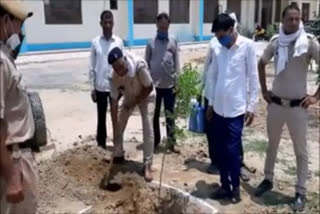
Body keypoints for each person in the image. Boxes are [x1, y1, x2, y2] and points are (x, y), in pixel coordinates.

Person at [255, 4, 319, 212]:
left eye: (297, 19)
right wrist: (264, 91)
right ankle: (268, 179)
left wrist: (316, 96)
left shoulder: (308, 43)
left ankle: (300, 192)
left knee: (300, 151)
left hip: (297, 107)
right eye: (290, 19)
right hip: (276, 105)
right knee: (272, 144)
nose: (294, 22)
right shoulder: (276, 42)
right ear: (282, 21)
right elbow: (261, 63)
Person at [207, 13, 259, 203]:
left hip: (236, 110)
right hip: (219, 108)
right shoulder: (219, 48)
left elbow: (253, 77)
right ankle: (224, 186)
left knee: (232, 151)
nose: (220, 40)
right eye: (217, 37)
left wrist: (252, 106)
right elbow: (213, 76)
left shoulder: (247, 47)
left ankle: (235, 188)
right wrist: (211, 103)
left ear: (231, 30)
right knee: (220, 150)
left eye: (222, 36)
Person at [0, 0, 39, 213]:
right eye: (19, 25)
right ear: (6, 21)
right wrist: (13, 177)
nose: (21, 33)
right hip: (13, 159)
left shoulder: (5, 58)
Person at [109, 47, 155, 182]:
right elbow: (113, 103)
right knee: (119, 122)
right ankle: (118, 154)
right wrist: (115, 126)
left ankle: (147, 164)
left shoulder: (139, 66)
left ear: (124, 59)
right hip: (129, 97)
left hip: (146, 96)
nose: (120, 71)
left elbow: (149, 87)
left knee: (148, 127)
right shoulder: (113, 77)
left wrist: (135, 101)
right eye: (116, 68)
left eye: (121, 66)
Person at [145, 12, 180, 153]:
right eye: (161, 28)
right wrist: (146, 83)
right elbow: (146, 63)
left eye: (165, 28)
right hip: (154, 86)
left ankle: (171, 143)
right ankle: (156, 141)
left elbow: (177, 62)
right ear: (157, 26)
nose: (163, 30)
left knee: (170, 114)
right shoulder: (150, 42)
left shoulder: (173, 41)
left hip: (170, 85)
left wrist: (178, 81)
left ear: (168, 26)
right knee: (153, 115)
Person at [89, 10, 124, 149]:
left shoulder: (119, 42)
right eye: (105, 22)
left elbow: (123, 63)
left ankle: (118, 145)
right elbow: (92, 66)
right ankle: (101, 145)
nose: (108, 25)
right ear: (101, 23)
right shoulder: (95, 43)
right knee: (101, 117)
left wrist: (123, 85)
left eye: (110, 22)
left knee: (117, 118)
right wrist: (92, 87)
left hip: (115, 87)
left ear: (113, 23)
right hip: (101, 86)